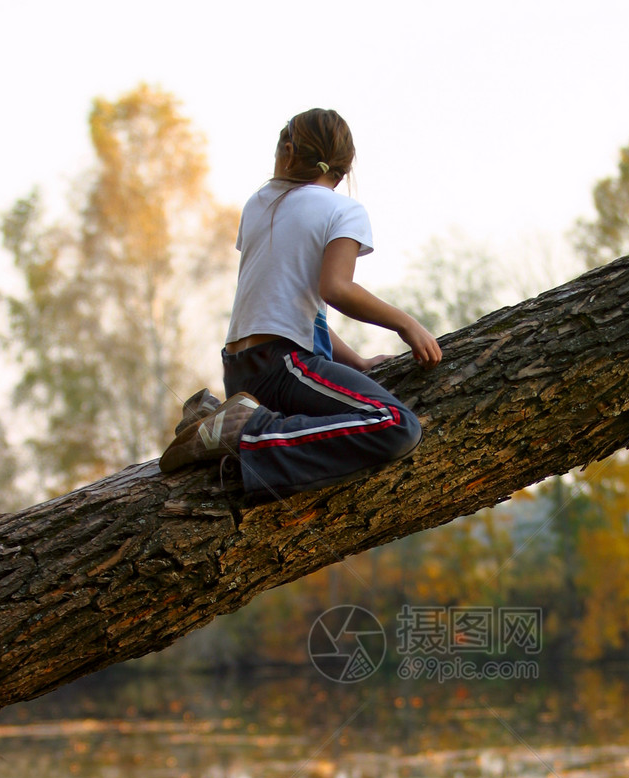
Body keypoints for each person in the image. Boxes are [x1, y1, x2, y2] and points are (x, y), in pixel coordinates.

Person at [159, 108, 441, 504]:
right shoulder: (342, 210)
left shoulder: (258, 205)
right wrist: (405, 323)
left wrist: (356, 363)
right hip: (282, 366)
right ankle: (248, 431)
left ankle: (217, 418)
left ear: (286, 152)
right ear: (342, 174)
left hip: (241, 372)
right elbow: (336, 290)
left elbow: (287, 305)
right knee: (395, 424)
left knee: (340, 417)